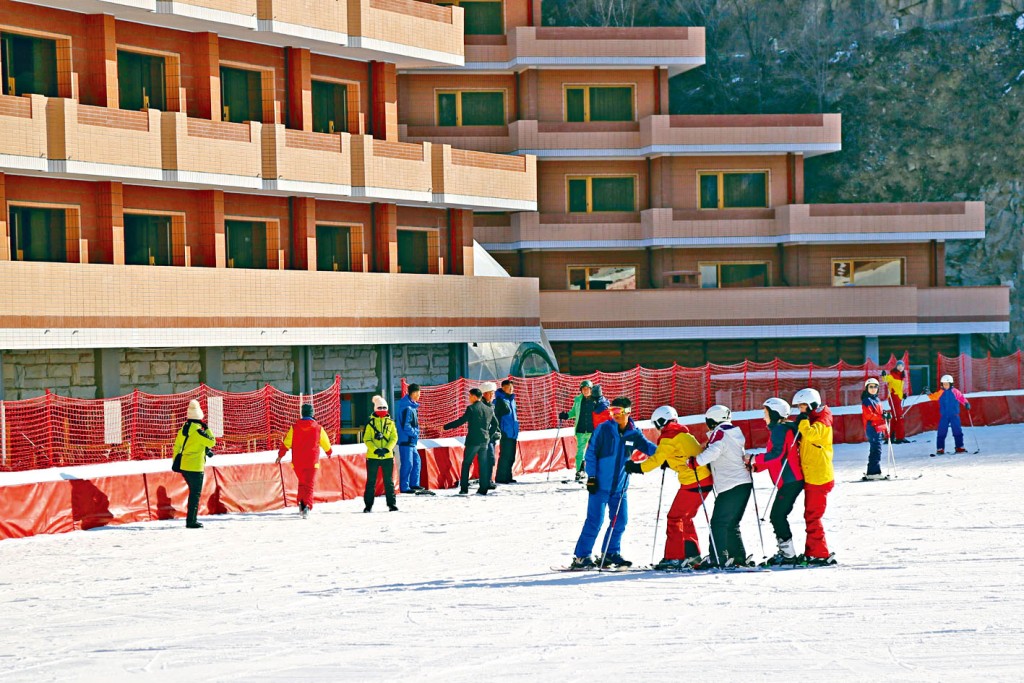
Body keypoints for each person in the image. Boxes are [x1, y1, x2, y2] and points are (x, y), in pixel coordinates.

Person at [568, 397, 658, 570]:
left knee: (620, 521)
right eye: (612, 411)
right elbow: (591, 453)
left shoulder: (634, 433)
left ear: (628, 412)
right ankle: (581, 556)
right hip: (600, 486)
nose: (614, 415)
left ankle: (610, 553)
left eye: (618, 411)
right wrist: (592, 476)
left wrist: (668, 455)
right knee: (595, 521)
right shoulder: (603, 430)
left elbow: (649, 448)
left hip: (620, 488)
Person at [624, 405, 710, 570]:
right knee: (685, 518)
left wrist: (636, 467)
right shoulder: (682, 433)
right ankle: (691, 555)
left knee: (674, 518)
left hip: (694, 481)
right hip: (702, 480)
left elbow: (655, 459)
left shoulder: (669, 436)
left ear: (660, 422)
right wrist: (669, 463)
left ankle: (674, 557)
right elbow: (681, 454)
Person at [686, 404, 751, 568]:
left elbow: (714, 450)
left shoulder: (720, 433)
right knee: (731, 523)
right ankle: (738, 556)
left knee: (718, 523)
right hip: (743, 483)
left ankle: (718, 557)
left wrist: (696, 461)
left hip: (730, 484)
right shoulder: (733, 432)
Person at [751, 398, 804, 565]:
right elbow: (776, 459)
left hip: (790, 480)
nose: (763, 417)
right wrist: (757, 467)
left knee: (777, 515)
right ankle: (787, 552)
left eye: (766, 413)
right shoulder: (780, 429)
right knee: (778, 515)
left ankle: (788, 554)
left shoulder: (779, 430)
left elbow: (777, 454)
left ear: (774, 414)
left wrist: (755, 458)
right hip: (789, 480)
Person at [792, 388, 836, 565]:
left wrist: (802, 421)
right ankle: (812, 551)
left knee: (813, 516)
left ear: (811, 405)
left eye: (803, 406)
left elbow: (810, 435)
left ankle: (820, 553)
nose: (800, 410)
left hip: (819, 477)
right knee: (810, 515)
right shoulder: (815, 419)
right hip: (813, 475)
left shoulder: (822, 422)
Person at [276, 403, 332, 518]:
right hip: (312, 461)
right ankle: (307, 506)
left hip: (297, 462)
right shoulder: (318, 428)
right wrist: (329, 452)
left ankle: (301, 503)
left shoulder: (294, 427)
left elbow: (286, 442)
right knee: (309, 485)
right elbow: (325, 443)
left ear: (302, 413)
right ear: (313, 413)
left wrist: (280, 455)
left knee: (302, 483)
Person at [444, 387, 497, 495]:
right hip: (484, 441)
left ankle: (464, 488)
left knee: (467, 463)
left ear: (473, 396)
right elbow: (495, 424)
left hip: (473, 441)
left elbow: (461, 421)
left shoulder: (471, 408)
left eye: (469, 396)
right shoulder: (489, 409)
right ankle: (483, 488)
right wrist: (488, 435)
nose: (468, 398)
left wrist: (446, 427)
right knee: (483, 465)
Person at [173, 399, 216, 529]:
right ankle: (191, 521)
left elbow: (177, 446)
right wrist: (207, 429)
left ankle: (191, 519)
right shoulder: (198, 431)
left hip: (184, 466)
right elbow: (212, 442)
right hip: (196, 467)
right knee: (195, 495)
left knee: (192, 493)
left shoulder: (183, 429)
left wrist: (175, 460)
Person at [558, 380, 609, 482]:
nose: (585, 391)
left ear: (591, 390)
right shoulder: (578, 400)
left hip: (592, 430)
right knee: (580, 452)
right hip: (581, 430)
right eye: (583, 389)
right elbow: (574, 412)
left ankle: (595, 471)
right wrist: (566, 415)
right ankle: (579, 471)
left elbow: (605, 405)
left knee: (592, 452)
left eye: (587, 389)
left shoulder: (596, 400)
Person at [363, 395, 399, 513]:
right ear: (375, 409)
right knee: (371, 482)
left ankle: (392, 505)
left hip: (387, 456)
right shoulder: (370, 423)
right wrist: (375, 449)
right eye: (380, 408)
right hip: (373, 457)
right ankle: (368, 506)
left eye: (384, 407)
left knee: (388, 482)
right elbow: (367, 439)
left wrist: (387, 449)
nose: (382, 410)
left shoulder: (391, 423)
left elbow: (394, 438)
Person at [929, 374, 971, 455]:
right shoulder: (941, 392)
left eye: (947, 384)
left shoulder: (955, 391)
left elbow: (961, 398)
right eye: (944, 384)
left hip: (954, 415)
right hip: (944, 416)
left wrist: (966, 403)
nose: (945, 386)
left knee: (957, 431)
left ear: (951, 384)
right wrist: (928, 393)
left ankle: (959, 447)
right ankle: (940, 448)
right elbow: (933, 397)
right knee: (941, 432)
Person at [396, 384, 425, 494]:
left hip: (411, 441)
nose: (419, 396)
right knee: (407, 463)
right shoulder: (407, 407)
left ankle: (414, 483)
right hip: (406, 440)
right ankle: (405, 486)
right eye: (418, 394)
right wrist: (415, 433)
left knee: (417, 462)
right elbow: (405, 425)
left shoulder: (411, 406)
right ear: (412, 393)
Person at [861, 378, 889, 480]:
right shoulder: (866, 400)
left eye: (875, 387)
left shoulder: (876, 399)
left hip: (878, 427)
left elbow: (878, 412)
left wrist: (884, 413)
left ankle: (873, 471)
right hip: (872, 427)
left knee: (877, 449)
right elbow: (869, 415)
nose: (873, 389)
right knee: (876, 449)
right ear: (867, 388)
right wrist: (882, 416)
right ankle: (873, 472)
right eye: (871, 387)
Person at [493, 379, 520, 484]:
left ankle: (508, 476)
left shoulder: (512, 400)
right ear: (503, 388)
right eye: (509, 387)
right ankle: (501, 477)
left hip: (513, 432)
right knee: (505, 455)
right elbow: (496, 417)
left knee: (511, 456)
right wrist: (499, 429)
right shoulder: (499, 400)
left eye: (512, 387)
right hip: (505, 431)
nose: (511, 389)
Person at [479, 381, 501, 488]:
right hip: (484, 438)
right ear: (484, 394)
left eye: (493, 393)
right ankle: (485, 481)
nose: (493, 396)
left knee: (491, 459)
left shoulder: (491, 405)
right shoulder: (481, 406)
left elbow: (494, 421)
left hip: (491, 437)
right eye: (490, 393)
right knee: (488, 459)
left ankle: (488, 480)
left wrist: (497, 431)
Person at [883, 360, 910, 443]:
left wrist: (903, 395)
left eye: (902, 366)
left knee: (895, 418)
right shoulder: (892, 375)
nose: (900, 367)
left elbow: (899, 389)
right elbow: (886, 379)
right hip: (893, 398)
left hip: (898, 398)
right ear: (896, 366)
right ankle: (900, 437)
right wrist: (884, 376)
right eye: (899, 366)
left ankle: (890, 437)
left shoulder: (901, 376)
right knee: (899, 417)